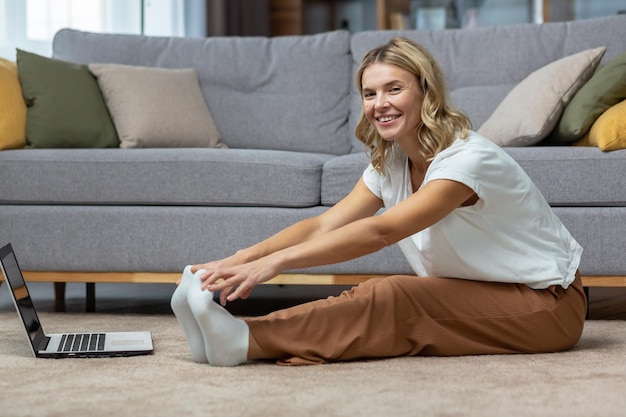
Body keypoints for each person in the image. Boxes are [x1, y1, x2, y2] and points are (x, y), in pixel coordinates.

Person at [170, 37, 586, 367]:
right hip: (484, 289)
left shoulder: (467, 159)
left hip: (547, 304)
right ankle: (237, 339)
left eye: (394, 89)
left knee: (396, 298)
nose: (379, 104)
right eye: (369, 94)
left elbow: (380, 231)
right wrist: (242, 257)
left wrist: (273, 266)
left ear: (427, 91)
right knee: (390, 299)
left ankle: (245, 339)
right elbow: (324, 224)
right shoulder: (392, 160)